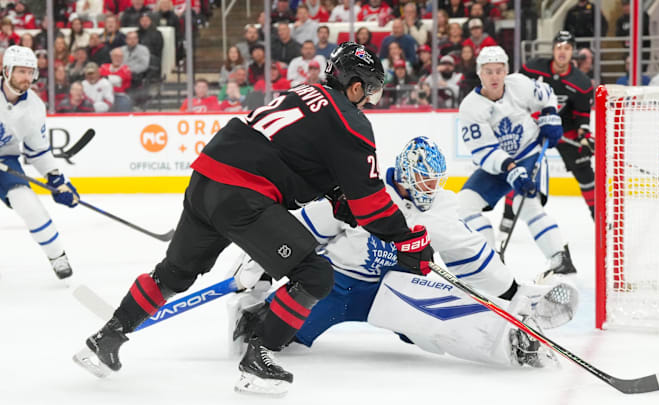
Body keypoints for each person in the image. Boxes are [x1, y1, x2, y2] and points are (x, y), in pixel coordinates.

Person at [73, 42, 434, 396]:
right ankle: (258, 360)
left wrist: (334, 194)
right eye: (369, 91)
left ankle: (106, 338)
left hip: (206, 179)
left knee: (175, 272)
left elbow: (293, 154)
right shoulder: (349, 119)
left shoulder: (304, 92)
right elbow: (370, 202)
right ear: (355, 85)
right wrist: (407, 239)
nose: (368, 100)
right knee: (314, 275)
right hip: (243, 194)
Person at [229, 137, 578, 368]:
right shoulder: (363, 191)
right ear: (406, 174)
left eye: (435, 181)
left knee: (440, 315)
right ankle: (255, 311)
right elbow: (303, 229)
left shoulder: (439, 207)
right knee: (267, 335)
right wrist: (262, 264)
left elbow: (469, 253)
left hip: (395, 287)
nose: (431, 189)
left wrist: (513, 292)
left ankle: (514, 340)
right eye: (424, 180)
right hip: (332, 284)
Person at [457, 46, 577, 281]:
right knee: (463, 206)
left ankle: (559, 258)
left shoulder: (519, 84)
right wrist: (511, 170)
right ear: (479, 73)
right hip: (497, 165)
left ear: (506, 71)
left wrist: (551, 116)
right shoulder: (470, 107)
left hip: (529, 152)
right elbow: (484, 151)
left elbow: (547, 95)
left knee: (528, 204)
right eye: (489, 71)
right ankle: (489, 260)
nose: (494, 77)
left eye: (499, 71)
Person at [0, 46, 79, 279]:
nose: (26, 78)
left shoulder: (34, 107)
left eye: (30, 72)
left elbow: (37, 149)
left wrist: (56, 178)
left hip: (5, 158)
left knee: (28, 204)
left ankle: (57, 256)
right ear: (6, 71)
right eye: (20, 71)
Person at [517, 31, 595, 220]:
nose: (562, 52)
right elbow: (516, 92)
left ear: (572, 52)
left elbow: (582, 114)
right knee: (519, 168)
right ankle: (508, 217)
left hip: (564, 130)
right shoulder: (532, 69)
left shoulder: (582, 83)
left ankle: (599, 216)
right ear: (553, 50)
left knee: (584, 169)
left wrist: (584, 136)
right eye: (559, 47)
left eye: (567, 48)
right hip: (533, 126)